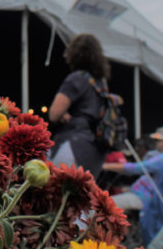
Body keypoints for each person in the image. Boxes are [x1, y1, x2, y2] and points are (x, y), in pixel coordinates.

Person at [103, 125, 163, 247]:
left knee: (103, 204)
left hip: (144, 199)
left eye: (158, 140)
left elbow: (135, 168)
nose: (155, 142)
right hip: (155, 201)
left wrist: (106, 165)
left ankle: (105, 242)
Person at [47, 33, 114, 176]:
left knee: (54, 191)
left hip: (73, 146)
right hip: (95, 151)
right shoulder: (100, 82)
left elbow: (54, 114)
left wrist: (63, 114)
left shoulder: (76, 79)